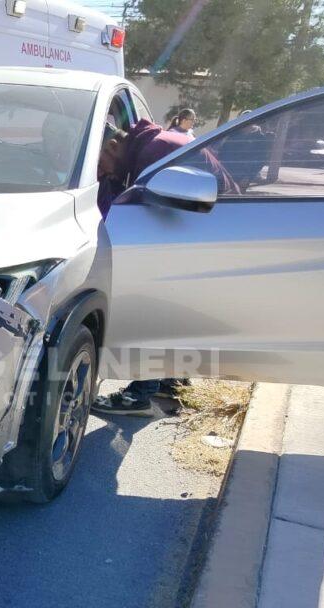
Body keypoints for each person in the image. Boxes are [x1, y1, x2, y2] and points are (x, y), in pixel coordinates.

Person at [93, 118, 195, 416]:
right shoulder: (155, 145)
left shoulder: (154, 153)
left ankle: (140, 396)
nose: (101, 172)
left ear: (113, 146)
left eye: (99, 164)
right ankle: (171, 380)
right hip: (201, 234)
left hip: (196, 236)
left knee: (152, 305)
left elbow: (145, 221)